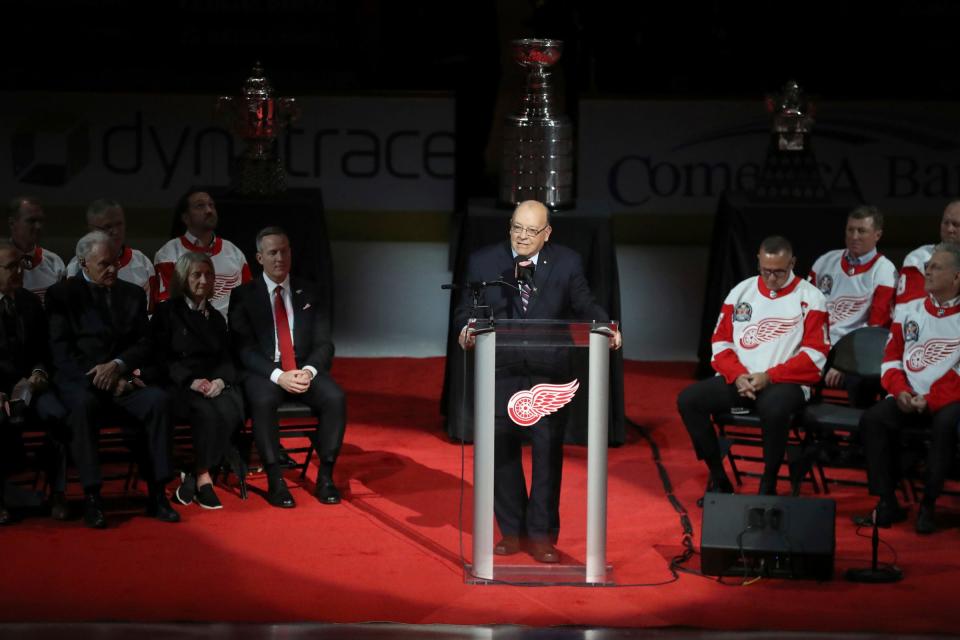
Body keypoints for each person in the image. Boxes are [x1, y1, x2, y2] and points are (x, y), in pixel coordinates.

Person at [454, 200, 622, 564]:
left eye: (532, 231)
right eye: (517, 228)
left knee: (547, 456)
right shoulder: (484, 261)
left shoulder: (567, 262)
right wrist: (466, 330)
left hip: (548, 374)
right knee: (502, 454)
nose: (523, 236)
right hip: (500, 370)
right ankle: (511, 531)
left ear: (547, 233)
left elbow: (584, 304)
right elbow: (466, 311)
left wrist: (605, 324)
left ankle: (542, 535)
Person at [677, 236, 829, 497]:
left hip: (785, 384)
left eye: (779, 272)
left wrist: (769, 377)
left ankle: (768, 483)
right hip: (743, 381)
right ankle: (718, 476)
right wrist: (738, 376)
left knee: (773, 407)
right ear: (758, 261)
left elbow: (815, 356)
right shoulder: (741, 292)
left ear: (792, 263)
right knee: (689, 400)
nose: (771, 278)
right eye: (766, 270)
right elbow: (721, 343)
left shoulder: (811, 297)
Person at [46, 231, 177, 528]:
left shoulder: (131, 293)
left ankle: (158, 494)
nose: (113, 269)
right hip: (82, 382)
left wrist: (118, 368)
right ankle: (93, 497)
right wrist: (98, 375)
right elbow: (61, 351)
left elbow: (144, 343)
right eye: (104, 264)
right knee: (82, 406)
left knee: (159, 401)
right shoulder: (62, 294)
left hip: (122, 380)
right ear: (83, 262)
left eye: (115, 262)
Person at [228, 227, 345, 508]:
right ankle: (275, 479)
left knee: (335, 398)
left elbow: (324, 344)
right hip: (266, 371)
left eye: (284, 250)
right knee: (263, 399)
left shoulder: (311, 291)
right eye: (272, 252)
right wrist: (279, 376)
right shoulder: (244, 295)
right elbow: (243, 349)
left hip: (304, 368)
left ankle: (326, 476)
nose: (280, 257)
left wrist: (309, 372)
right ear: (259, 257)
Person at [858, 243, 960, 534]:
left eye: (937, 267)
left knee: (945, 425)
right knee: (873, 419)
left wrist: (928, 400)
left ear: (956, 278)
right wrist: (900, 392)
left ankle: (929, 503)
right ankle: (887, 500)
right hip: (908, 394)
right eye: (928, 266)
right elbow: (891, 358)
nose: (927, 271)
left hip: (948, 400)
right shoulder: (910, 311)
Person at [150, 252, 245, 510]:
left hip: (211, 385)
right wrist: (191, 381)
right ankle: (204, 477)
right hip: (180, 385)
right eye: (197, 274)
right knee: (205, 413)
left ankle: (193, 472)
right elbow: (160, 358)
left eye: (209, 274)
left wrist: (220, 381)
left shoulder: (215, 318)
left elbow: (226, 358)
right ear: (183, 278)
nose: (204, 280)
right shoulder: (167, 313)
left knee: (231, 408)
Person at [0, 240, 64, 524]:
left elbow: (43, 349)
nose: (19, 271)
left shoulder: (29, 302)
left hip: (30, 386)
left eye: (22, 264)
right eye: (11, 266)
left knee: (61, 413)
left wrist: (39, 372)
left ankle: (59, 493)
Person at [808, 205, 897, 406]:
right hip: (818, 345)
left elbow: (876, 327)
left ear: (877, 235)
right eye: (850, 230)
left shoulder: (884, 271)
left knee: (861, 381)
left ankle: (860, 433)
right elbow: (806, 312)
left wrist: (843, 362)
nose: (854, 236)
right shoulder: (825, 261)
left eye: (862, 231)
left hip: (857, 351)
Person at [155, 190, 251, 320]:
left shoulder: (234, 252)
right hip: (187, 333)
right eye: (200, 206)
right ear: (185, 218)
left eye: (211, 205)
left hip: (231, 335)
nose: (209, 211)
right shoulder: (169, 254)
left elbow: (248, 299)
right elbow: (166, 304)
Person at [66, 199, 158, 312]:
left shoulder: (142, 263)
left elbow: (149, 313)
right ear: (91, 230)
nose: (115, 232)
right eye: (107, 226)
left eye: (119, 224)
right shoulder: (76, 266)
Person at [895, 200, 960, 308]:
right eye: (946, 223)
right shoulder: (918, 259)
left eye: (956, 224)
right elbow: (907, 308)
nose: (949, 229)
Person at [8, 196, 64, 302]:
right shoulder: (2, 262)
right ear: (12, 223)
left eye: (41, 221)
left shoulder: (54, 261)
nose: (38, 226)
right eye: (31, 221)